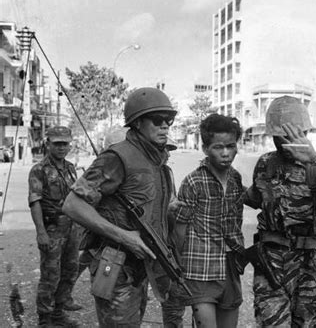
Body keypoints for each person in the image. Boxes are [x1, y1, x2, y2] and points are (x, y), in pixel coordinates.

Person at [62, 87, 181, 327]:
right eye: (157, 120)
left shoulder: (158, 164)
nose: (165, 126)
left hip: (141, 266)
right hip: (115, 265)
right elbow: (72, 205)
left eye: (169, 120)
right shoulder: (118, 157)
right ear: (137, 123)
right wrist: (124, 237)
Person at [244, 96, 316, 327]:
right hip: (270, 263)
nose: (286, 140)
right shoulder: (265, 163)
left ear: (305, 131)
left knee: (308, 323)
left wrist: (315, 158)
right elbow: (257, 198)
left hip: (308, 265)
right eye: (280, 135)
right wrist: (227, 183)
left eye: (292, 134)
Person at [174, 114, 245, 328]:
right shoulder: (193, 182)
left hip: (230, 265)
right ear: (205, 148)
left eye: (231, 146)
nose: (225, 153)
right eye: (218, 147)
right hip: (200, 267)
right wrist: (179, 268)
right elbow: (179, 230)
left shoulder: (235, 179)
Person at [28, 125, 80, 327]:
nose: (61, 147)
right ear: (47, 144)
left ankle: (58, 314)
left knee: (69, 271)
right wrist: (41, 232)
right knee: (50, 275)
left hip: (72, 228)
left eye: (65, 144)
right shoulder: (39, 170)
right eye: (57, 143)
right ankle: (45, 319)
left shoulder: (70, 168)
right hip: (52, 229)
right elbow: (35, 201)